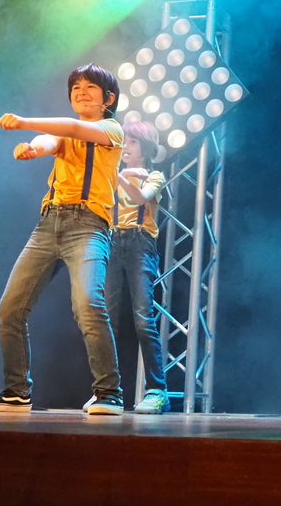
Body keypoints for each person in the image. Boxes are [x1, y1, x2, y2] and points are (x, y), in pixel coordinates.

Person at [0, 64, 125, 416]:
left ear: (108, 99)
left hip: (88, 225)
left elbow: (72, 128)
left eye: (90, 87)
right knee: (10, 308)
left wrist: (25, 122)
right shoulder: (64, 133)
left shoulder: (111, 129)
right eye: (76, 87)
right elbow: (51, 139)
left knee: (88, 305)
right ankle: (17, 391)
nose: (81, 91)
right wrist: (32, 147)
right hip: (48, 224)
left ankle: (109, 393)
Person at [98, 120, 170, 415]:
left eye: (133, 142)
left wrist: (121, 176)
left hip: (141, 244)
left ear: (147, 148)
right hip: (112, 242)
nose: (125, 147)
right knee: (106, 318)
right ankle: (106, 391)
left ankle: (157, 391)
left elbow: (141, 197)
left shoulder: (155, 176)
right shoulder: (113, 174)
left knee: (143, 319)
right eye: (124, 142)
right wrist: (120, 174)